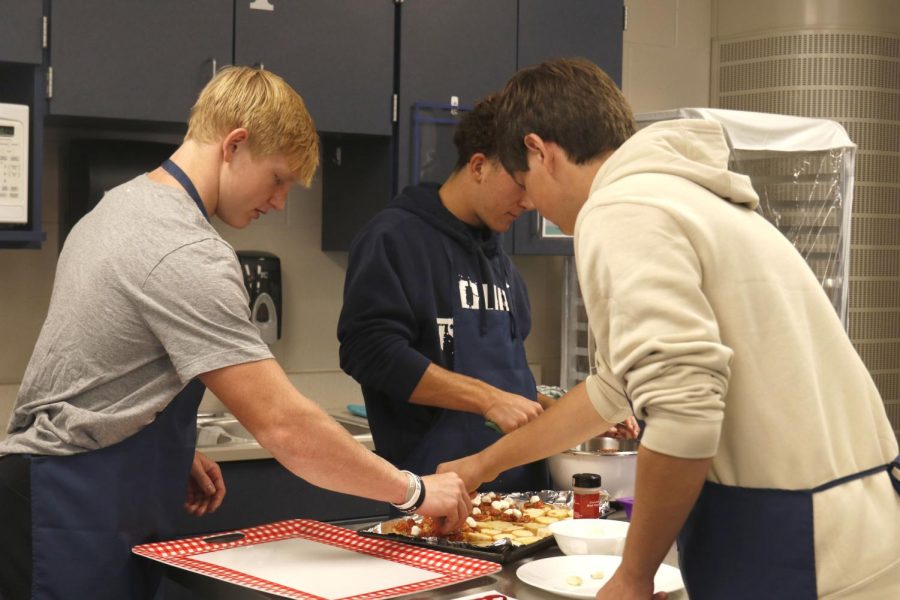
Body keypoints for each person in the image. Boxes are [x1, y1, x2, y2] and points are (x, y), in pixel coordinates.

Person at [438, 58, 900, 599]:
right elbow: (613, 390)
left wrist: (633, 577)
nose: (531, 203)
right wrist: (481, 465)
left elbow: (685, 407)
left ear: (541, 152)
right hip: (855, 529)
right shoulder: (694, 199)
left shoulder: (621, 209)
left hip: (797, 548)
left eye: (525, 182)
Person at [0, 66, 469, 600]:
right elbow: (285, 426)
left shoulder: (117, 207)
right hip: (73, 509)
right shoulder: (186, 250)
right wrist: (413, 491)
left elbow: (90, 366)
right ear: (235, 144)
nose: (279, 203)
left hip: (63, 488)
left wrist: (161, 445)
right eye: (279, 179)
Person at [338, 94, 584, 493]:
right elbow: (368, 352)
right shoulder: (395, 238)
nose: (528, 202)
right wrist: (486, 399)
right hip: (439, 498)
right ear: (478, 166)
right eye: (520, 185)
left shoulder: (500, 259)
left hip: (524, 496)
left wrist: (570, 411)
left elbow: (503, 378)